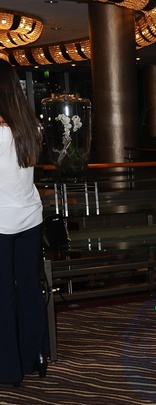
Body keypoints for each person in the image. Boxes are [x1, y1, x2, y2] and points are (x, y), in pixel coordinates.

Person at [0, 60, 49, 386]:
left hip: (2, 223)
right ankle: (35, 357)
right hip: (31, 218)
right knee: (30, 289)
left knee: (4, 295)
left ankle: (8, 368)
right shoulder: (29, 127)